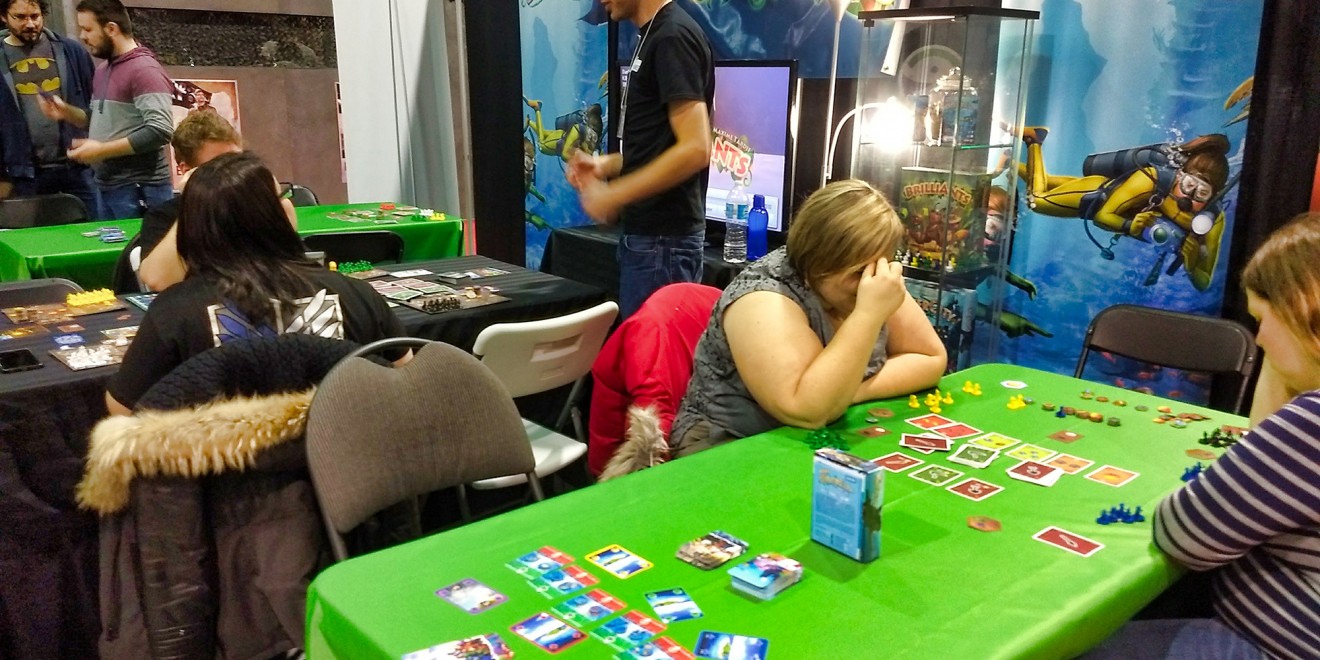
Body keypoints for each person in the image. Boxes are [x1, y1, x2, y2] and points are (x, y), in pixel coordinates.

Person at [1085, 212, 1320, 660]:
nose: (1260, 340)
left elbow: (1183, 533)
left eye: (1263, 319)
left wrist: (1287, 363)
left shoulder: (1313, 422)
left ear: (1303, 310)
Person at [106, 151, 407, 415]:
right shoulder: (354, 293)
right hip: (345, 457)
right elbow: (404, 372)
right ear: (273, 215)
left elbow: (123, 408)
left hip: (228, 461)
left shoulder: (174, 313)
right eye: (282, 197)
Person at [669, 180, 947, 454]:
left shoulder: (873, 280)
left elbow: (930, 359)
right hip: (728, 443)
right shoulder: (762, 297)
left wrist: (848, 393)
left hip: (822, 431)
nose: (869, 281)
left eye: (880, 265)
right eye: (857, 272)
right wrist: (868, 315)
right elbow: (808, 410)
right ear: (817, 264)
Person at [568, 0, 713, 319]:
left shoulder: (672, 37)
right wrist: (604, 165)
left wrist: (614, 194)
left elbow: (696, 148)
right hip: (652, 243)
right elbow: (660, 147)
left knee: (653, 352)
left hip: (663, 244)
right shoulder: (655, 34)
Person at [1019, 130, 1230, 291]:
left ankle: (1012, 165)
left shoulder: (1211, 220)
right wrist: (1130, 226)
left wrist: (1192, 265)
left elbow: (1204, 282)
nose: (1188, 198)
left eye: (1202, 194)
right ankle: (1034, 140)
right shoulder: (1153, 179)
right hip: (1099, 194)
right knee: (1037, 201)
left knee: (1047, 182)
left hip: (1116, 200)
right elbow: (1102, 216)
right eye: (1188, 186)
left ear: (1213, 196)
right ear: (1180, 176)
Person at [38, 0, 173, 219]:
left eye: (87, 29)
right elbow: (98, 119)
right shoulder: (103, 70)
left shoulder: (144, 70)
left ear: (111, 29)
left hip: (140, 188)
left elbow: (160, 130)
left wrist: (101, 150)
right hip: (108, 186)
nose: (82, 36)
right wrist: (65, 112)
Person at [0, 0, 99, 212]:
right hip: (24, 174)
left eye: (35, 16)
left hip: (78, 168)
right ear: (3, 17)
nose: (30, 24)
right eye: (20, 17)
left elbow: (96, 105)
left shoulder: (71, 51)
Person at [135, 108, 249, 291]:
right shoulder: (164, 217)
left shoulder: (254, 206)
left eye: (238, 162)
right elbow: (158, 280)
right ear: (187, 170)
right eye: (218, 165)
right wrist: (192, 203)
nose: (234, 173)